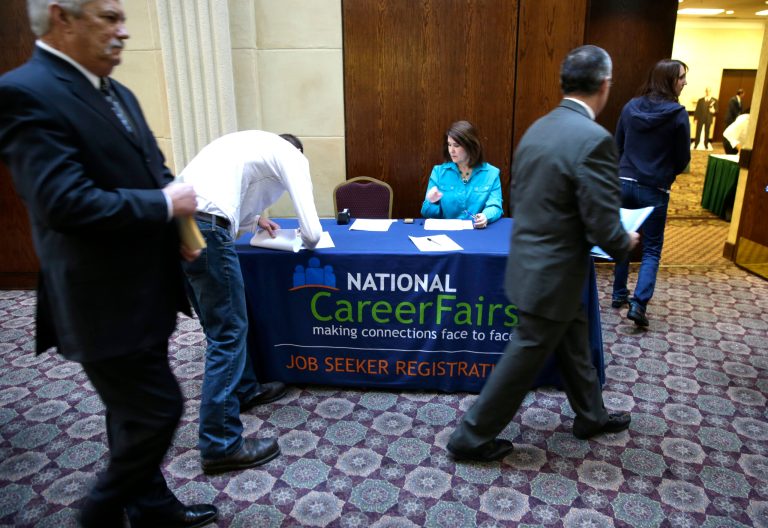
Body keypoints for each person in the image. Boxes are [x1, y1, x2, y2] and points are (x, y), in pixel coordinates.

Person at [0, 1, 217, 527]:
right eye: (109, 17)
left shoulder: (116, 91)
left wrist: (178, 227)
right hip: (99, 297)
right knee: (158, 409)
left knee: (131, 411)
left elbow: (152, 169)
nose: (124, 31)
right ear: (63, 17)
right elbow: (63, 203)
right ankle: (96, 515)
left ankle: (151, 508)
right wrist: (164, 205)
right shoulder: (24, 92)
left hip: (146, 288)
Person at [446, 45, 638, 462]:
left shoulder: (538, 129)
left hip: (534, 263)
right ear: (604, 85)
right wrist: (626, 242)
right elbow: (603, 224)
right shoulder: (594, 140)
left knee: (575, 341)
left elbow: (531, 199)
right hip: (555, 273)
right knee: (522, 358)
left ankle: (591, 414)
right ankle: (470, 437)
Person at [178, 130, 323, 474]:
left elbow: (234, 203)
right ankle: (220, 443)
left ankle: (244, 388)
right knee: (227, 333)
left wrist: (256, 219)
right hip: (207, 229)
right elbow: (313, 233)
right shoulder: (292, 156)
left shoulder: (247, 143)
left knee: (218, 324)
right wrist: (304, 240)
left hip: (179, 223)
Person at [611, 59, 691, 327]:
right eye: (681, 77)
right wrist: (666, 175)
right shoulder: (678, 114)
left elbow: (617, 145)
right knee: (651, 249)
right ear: (668, 80)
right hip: (654, 187)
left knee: (624, 237)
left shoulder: (630, 107)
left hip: (624, 182)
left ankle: (618, 293)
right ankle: (639, 304)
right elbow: (682, 158)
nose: (685, 82)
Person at [421, 120, 503, 228]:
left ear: (470, 146)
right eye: (449, 144)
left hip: (477, 231)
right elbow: (426, 213)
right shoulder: (439, 172)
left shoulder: (492, 173)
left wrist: (485, 216)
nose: (451, 150)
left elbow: (495, 205)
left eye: (456, 145)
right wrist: (431, 202)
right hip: (447, 233)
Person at [723, 89, 744, 154]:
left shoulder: (740, 100)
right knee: (728, 133)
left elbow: (740, 110)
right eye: (743, 94)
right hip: (730, 119)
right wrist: (738, 117)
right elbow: (733, 110)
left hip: (735, 119)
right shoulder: (733, 99)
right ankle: (727, 145)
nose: (743, 95)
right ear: (741, 93)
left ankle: (732, 146)